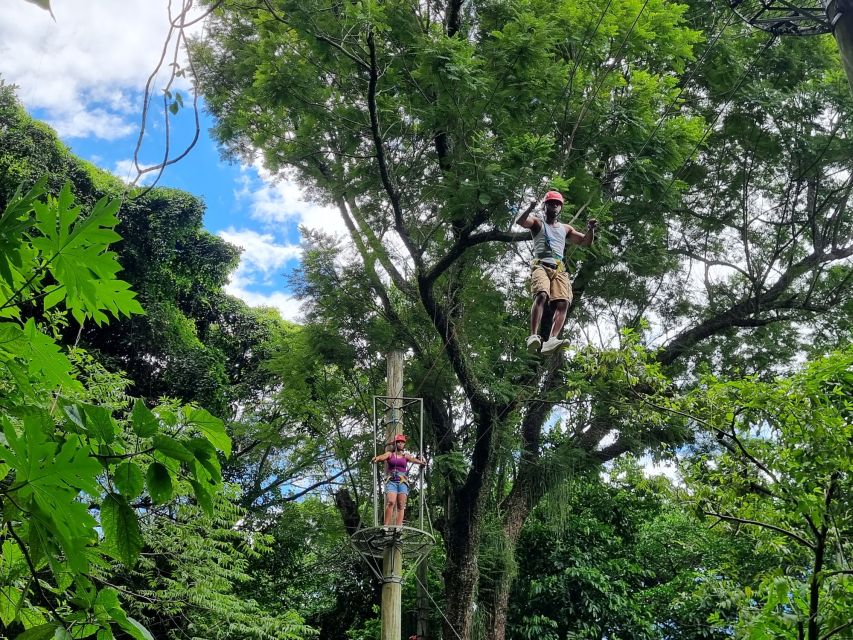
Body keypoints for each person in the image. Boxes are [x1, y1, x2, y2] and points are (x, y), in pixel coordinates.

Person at [516, 191, 597, 355]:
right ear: (544, 206)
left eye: (557, 204)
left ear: (560, 208)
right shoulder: (537, 223)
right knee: (541, 294)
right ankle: (533, 336)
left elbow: (585, 242)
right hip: (541, 266)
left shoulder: (566, 228)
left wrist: (591, 229)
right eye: (551, 203)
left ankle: (551, 340)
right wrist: (530, 207)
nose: (554, 206)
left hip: (558, 269)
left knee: (563, 303)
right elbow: (521, 221)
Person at [371, 434, 427, 527]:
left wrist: (422, 462)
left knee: (401, 505)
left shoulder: (406, 456)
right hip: (392, 481)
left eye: (402, 443)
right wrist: (377, 458)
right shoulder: (390, 454)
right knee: (391, 502)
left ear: (404, 445)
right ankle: (386, 526)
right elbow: (383, 456)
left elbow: (414, 460)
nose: (400, 444)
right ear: (395, 444)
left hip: (402, 482)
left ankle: (398, 527)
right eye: (399, 442)